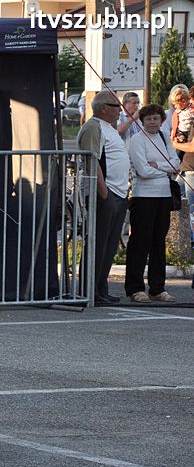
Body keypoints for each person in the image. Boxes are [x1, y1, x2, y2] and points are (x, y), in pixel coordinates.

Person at [77, 90, 131, 305]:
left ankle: (101, 288)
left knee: (109, 245)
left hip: (118, 192)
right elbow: (92, 161)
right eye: (116, 106)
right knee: (98, 243)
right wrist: (104, 192)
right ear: (103, 108)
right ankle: (90, 290)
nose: (120, 110)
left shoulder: (110, 129)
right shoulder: (93, 127)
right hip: (104, 194)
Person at [126, 104, 179, 304]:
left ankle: (157, 288)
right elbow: (143, 171)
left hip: (164, 196)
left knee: (158, 241)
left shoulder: (165, 138)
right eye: (148, 119)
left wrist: (160, 166)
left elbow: (176, 163)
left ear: (161, 120)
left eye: (156, 118)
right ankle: (135, 288)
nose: (152, 122)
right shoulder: (137, 140)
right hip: (143, 197)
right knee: (140, 241)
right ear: (142, 120)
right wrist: (166, 170)